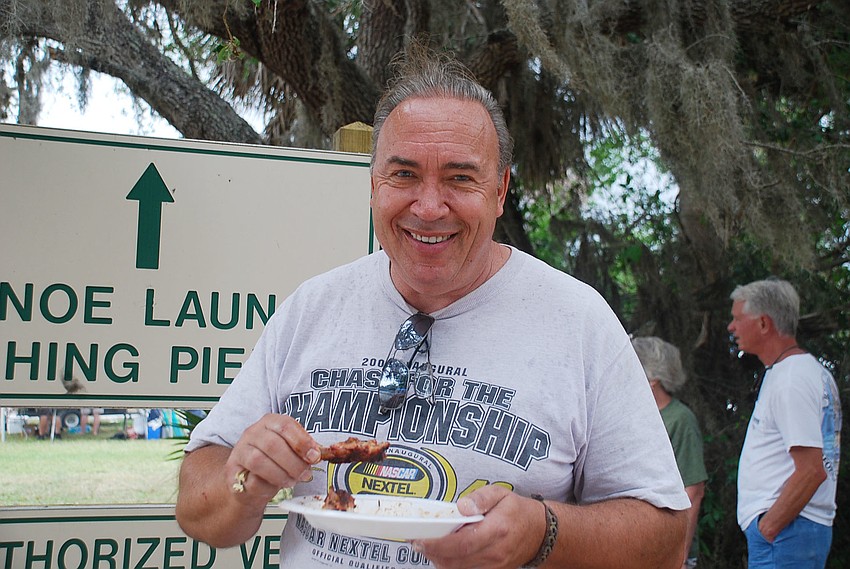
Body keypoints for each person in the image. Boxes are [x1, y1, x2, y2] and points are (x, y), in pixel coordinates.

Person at [176, 44, 689, 569]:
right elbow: (198, 509)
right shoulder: (314, 306)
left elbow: (668, 541)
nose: (428, 206)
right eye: (403, 175)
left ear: (500, 189)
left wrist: (543, 533)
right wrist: (243, 479)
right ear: (373, 184)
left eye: (460, 178)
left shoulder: (578, 322)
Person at [728, 279, 842, 569]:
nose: (731, 327)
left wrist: (768, 528)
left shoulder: (791, 378)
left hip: (787, 534)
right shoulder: (803, 371)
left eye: (738, 318)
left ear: (764, 323)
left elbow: (811, 470)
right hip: (795, 530)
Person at [632, 336, 708, 568]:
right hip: (636, 549)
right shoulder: (635, 417)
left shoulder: (680, 419)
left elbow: (693, 490)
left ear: (653, 378)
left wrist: (679, 555)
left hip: (666, 552)